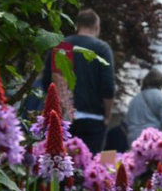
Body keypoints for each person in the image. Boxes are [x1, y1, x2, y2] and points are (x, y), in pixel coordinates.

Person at [42, 8, 115, 154]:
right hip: (93, 118)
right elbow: (107, 86)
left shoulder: (62, 46)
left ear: (77, 25)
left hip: (64, 118)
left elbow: (47, 83)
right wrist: (107, 116)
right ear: (96, 27)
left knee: (62, 166)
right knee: (89, 169)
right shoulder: (102, 49)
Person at [125, 69, 162, 144]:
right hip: (153, 141)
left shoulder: (134, 99)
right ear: (160, 83)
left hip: (134, 140)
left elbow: (128, 121)